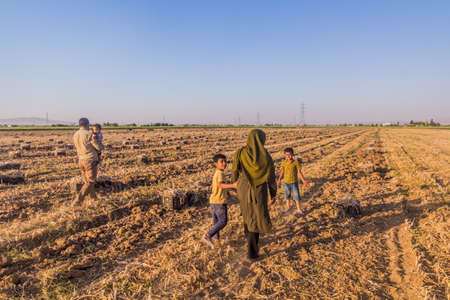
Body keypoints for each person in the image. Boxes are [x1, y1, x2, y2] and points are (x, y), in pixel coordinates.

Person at [232, 129, 277, 260]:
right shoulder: (266, 156)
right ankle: (252, 252)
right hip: (259, 190)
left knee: (247, 214)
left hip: (243, 188)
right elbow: (271, 178)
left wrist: (235, 187)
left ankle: (249, 240)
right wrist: (273, 193)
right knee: (256, 217)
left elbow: (234, 171)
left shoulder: (240, 152)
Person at [202, 153, 237, 248]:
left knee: (216, 222)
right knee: (223, 221)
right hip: (219, 202)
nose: (224, 163)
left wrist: (229, 193)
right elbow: (221, 185)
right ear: (215, 164)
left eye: (225, 161)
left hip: (213, 201)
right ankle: (208, 235)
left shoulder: (217, 173)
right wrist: (233, 185)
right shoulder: (220, 173)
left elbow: (220, 187)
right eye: (221, 162)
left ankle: (216, 240)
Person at [73, 118, 104, 205]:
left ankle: (93, 198)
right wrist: (102, 146)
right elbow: (98, 147)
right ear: (87, 124)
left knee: (88, 182)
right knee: (90, 182)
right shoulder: (89, 134)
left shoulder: (75, 134)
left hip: (81, 160)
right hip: (90, 160)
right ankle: (78, 200)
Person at [277, 147, 309, 214]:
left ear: (293, 155)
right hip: (286, 183)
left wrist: (304, 181)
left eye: (290, 154)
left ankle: (298, 209)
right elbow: (282, 172)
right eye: (286, 155)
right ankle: (288, 207)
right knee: (287, 196)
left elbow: (299, 172)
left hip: (294, 182)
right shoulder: (283, 163)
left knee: (296, 196)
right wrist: (279, 180)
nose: (288, 156)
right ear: (284, 155)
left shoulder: (296, 163)